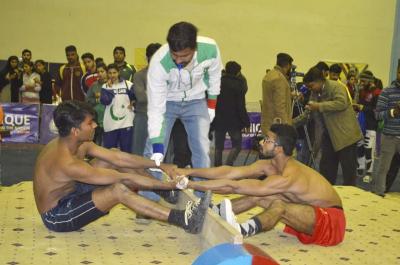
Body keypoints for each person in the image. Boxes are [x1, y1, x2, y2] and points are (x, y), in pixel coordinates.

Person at [33, 100, 210, 233]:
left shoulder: (76, 143)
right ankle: (184, 220)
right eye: (90, 123)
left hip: (71, 191)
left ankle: (166, 193)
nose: (95, 125)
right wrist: (169, 183)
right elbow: (124, 178)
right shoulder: (66, 163)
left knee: (112, 155)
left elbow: (119, 158)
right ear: (75, 130)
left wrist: (160, 165)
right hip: (57, 215)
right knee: (118, 190)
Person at [173, 124, 345, 247]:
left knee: (278, 205)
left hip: (331, 221)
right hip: (307, 210)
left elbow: (234, 187)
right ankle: (213, 211)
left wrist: (191, 184)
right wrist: (189, 172)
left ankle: (240, 231)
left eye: (268, 140)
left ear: (279, 149)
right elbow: (229, 173)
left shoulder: (289, 176)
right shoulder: (270, 165)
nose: (262, 142)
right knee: (258, 195)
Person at [146, 21, 222, 193]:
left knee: (202, 149)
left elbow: (215, 75)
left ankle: (201, 197)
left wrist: (211, 105)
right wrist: (157, 145)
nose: (179, 61)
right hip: (167, 102)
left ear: (194, 48)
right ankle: (148, 197)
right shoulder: (159, 62)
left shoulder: (210, 49)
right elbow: (155, 108)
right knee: (152, 152)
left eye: (184, 56)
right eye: (175, 56)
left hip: (196, 100)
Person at [303, 67, 362, 185]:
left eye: (311, 86)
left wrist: (319, 106)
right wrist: (290, 122)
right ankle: (328, 196)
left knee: (349, 175)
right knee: (326, 171)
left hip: (347, 137)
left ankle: (352, 198)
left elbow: (341, 103)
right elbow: (308, 114)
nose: (310, 89)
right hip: (329, 137)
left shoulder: (337, 87)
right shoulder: (315, 93)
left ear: (320, 81)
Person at [213, 61, 249, 166]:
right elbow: (241, 106)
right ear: (237, 72)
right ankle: (228, 166)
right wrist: (246, 123)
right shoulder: (239, 85)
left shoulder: (217, 83)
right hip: (234, 121)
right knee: (237, 145)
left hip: (219, 119)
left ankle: (217, 168)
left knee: (218, 146)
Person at [372, 65, 400, 197]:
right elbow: (377, 115)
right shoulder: (387, 91)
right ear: (397, 72)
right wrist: (393, 112)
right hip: (389, 136)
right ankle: (378, 195)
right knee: (384, 168)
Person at [131, 43, 161, 156]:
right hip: (143, 116)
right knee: (139, 149)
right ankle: (138, 173)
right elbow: (141, 97)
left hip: (162, 117)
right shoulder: (139, 75)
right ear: (147, 57)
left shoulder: (167, 75)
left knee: (161, 151)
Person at [100, 63, 135, 152]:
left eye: (114, 72)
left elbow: (136, 97)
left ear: (118, 72)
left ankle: (127, 166)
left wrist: (133, 104)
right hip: (110, 123)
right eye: (110, 73)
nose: (112, 75)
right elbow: (105, 101)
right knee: (110, 151)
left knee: (127, 150)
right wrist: (109, 88)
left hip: (126, 122)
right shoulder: (105, 86)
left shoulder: (128, 84)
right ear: (107, 74)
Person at [354, 71, 381, 182]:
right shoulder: (361, 91)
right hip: (361, 124)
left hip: (371, 125)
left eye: (363, 81)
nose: (361, 82)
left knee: (369, 148)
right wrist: (356, 107)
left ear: (370, 80)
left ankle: (369, 172)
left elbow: (377, 111)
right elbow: (361, 105)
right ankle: (360, 166)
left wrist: (362, 108)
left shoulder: (378, 93)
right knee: (359, 146)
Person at [261, 53, 294, 135]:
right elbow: (280, 106)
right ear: (287, 65)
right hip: (277, 127)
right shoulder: (279, 79)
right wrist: (286, 127)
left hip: (268, 123)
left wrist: (289, 95)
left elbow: (272, 97)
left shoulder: (269, 75)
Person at [85, 63, 107, 146]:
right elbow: (87, 100)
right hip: (96, 117)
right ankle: (92, 156)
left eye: (102, 71)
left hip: (108, 118)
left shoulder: (111, 84)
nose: (100, 74)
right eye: (98, 72)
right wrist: (96, 99)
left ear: (106, 72)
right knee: (95, 139)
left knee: (106, 142)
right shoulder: (94, 85)